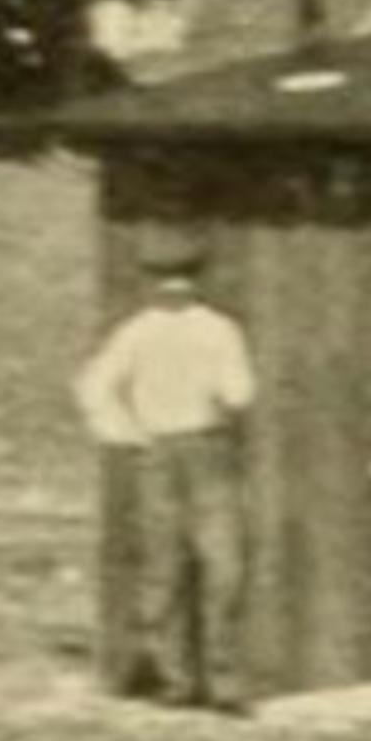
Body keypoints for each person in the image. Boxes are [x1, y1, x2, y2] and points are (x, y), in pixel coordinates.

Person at [75, 244, 257, 710]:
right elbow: (94, 387)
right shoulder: (162, 332)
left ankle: (203, 681)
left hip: (189, 448)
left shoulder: (192, 330)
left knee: (200, 567)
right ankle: (192, 681)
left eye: (179, 279)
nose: (174, 288)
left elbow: (239, 393)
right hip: (182, 448)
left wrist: (131, 433)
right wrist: (130, 434)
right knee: (189, 566)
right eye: (169, 279)